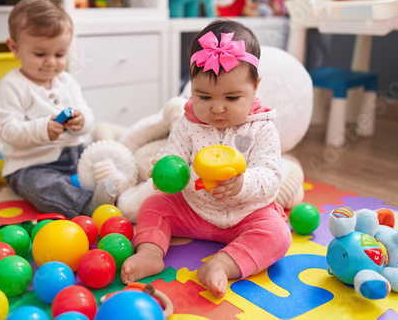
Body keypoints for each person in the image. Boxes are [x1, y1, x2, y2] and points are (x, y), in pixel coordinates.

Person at [121, 19, 292, 298]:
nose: (217, 108)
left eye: (232, 97)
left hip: (245, 215)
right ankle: (150, 252)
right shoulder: (188, 124)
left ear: (255, 87)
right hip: (193, 209)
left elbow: (271, 176)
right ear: (190, 87)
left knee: (279, 235)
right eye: (204, 96)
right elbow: (175, 152)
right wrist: (165, 165)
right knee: (153, 205)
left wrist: (242, 183)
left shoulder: (262, 128)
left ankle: (224, 263)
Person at [0, 0, 116, 219]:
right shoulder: (11, 86)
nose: (51, 62)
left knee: (102, 159)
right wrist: (42, 129)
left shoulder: (67, 80)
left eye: (59, 55)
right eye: (40, 54)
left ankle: (120, 190)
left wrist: (81, 121)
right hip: (32, 164)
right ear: (15, 48)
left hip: (74, 154)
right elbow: (8, 131)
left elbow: (86, 112)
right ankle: (86, 204)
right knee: (40, 185)